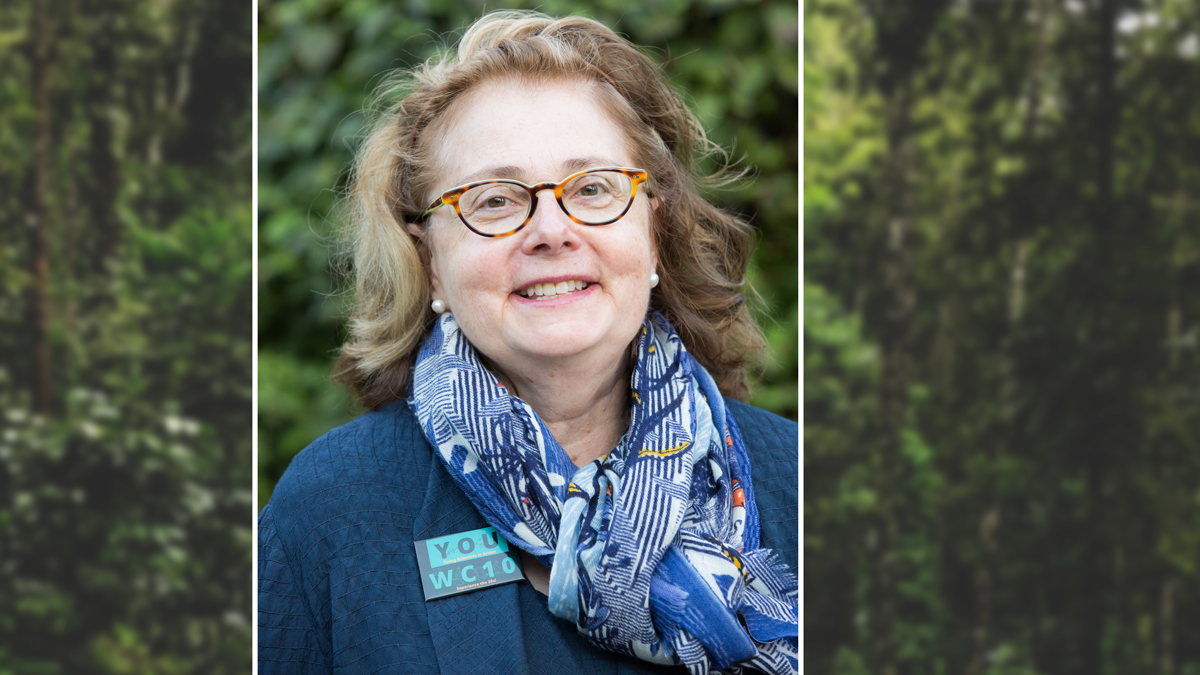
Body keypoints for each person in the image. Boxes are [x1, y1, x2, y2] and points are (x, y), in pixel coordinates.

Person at [258, 11, 797, 675]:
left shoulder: (797, 479)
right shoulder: (335, 505)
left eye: (593, 188)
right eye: (493, 200)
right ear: (429, 262)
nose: (551, 229)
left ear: (652, 232)